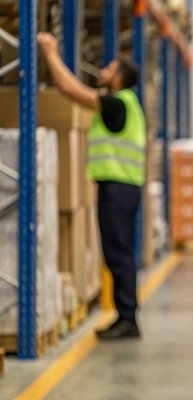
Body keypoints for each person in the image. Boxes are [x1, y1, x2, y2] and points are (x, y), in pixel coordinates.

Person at [38, 33, 146, 340]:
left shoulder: (117, 104)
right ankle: (125, 315)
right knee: (117, 253)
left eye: (110, 68)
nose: (104, 71)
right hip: (120, 187)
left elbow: (70, 89)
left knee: (119, 253)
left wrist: (50, 52)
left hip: (119, 187)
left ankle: (128, 319)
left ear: (120, 77)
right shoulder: (124, 104)